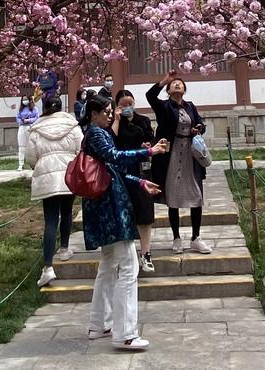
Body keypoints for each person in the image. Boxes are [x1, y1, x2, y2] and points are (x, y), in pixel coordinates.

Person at [81, 95, 167, 351]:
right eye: (106, 111)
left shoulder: (98, 134)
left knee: (108, 266)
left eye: (111, 111)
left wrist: (140, 182)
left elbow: (112, 169)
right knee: (129, 266)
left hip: (106, 205)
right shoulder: (96, 134)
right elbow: (115, 157)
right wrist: (149, 151)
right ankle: (125, 333)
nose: (111, 115)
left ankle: (100, 324)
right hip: (110, 208)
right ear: (93, 113)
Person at [146, 70, 211, 255]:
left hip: (190, 154)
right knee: (172, 196)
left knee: (196, 195)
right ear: (168, 90)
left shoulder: (190, 106)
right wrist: (164, 79)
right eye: (173, 84)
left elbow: (200, 123)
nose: (177, 85)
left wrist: (198, 128)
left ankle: (196, 238)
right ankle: (176, 238)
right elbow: (150, 96)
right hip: (172, 154)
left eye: (180, 83)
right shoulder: (164, 107)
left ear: (184, 89)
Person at [26, 94, 83, 288]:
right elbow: (80, 149)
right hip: (69, 172)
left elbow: (31, 157)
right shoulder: (72, 125)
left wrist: (40, 166)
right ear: (61, 106)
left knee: (51, 220)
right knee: (67, 211)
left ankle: (48, 267)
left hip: (47, 175)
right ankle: (65, 248)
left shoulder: (36, 128)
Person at [111, 89, 156, 273]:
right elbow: (111, 142)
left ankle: (146, 254)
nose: (128, 107)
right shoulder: (114, 123)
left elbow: (150, 140)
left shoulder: (143, 121)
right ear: (117, 106)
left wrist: (147, 146)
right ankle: (124, 256)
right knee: (123, 213)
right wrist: (117, 120)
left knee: (145, 214)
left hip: (141, 170)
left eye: (130, 103)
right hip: (121, 172)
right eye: (123, 104)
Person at [16, 96, 39, 171]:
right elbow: (18, 117)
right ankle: (21, 164)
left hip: (30, 127)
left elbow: (37, 117)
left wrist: (29, 120)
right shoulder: (21, 109)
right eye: (23, 99)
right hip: (22, 127)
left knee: (31, 146)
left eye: (26, 99)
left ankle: (32, 163)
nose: (24, 101)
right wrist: (21, 121)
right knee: (21, 146)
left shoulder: (34, 109)